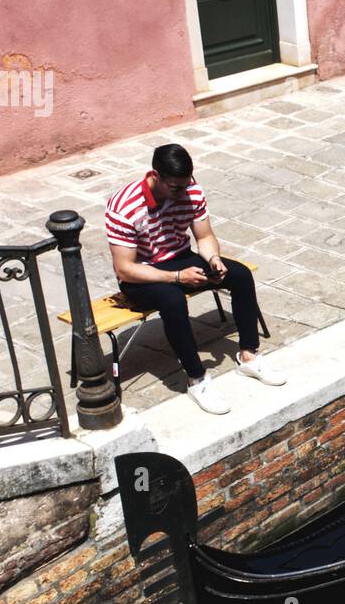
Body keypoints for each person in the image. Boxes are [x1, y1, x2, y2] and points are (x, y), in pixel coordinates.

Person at [105, 144, 284, 415]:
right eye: (175, 188)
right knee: (173, 299)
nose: (182, 194)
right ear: (155, 175)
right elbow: (124, 269)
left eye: (186, 185)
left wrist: (213, 259)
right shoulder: (124, 208)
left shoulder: (190, 191)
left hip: (179, 257)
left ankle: (248, 355)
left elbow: (204, 237)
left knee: (240, 275)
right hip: (141, 274)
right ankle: (196, 378)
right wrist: (176, 276)